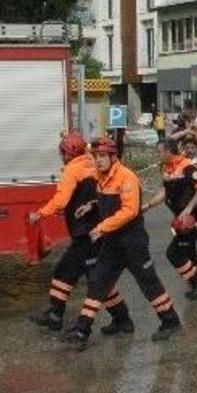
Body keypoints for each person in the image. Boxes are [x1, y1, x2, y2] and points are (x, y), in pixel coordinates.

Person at [64, 137, 181, 350]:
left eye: (101, 157)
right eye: (95, 156)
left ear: (113, 157)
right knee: (98, 281)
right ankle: (87, 330)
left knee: (149, 283)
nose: (97, 161)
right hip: (112, 243)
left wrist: (101, 227)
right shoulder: (101, 177)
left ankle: (171, 321)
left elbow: (129, 211)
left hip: (132, 243)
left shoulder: (127, 177)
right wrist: (91, 206)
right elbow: (107, 201)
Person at [27, 133, 132, 334]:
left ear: (67, 153)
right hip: (96, 231)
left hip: (86, 234)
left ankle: (60, 317)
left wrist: (40, 214)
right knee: (81, 275)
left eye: (62, 152)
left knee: (80, 276)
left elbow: (61, 200)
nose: (61, 155)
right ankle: (120, 319)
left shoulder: (72, 170)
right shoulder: (93, 164)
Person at [141, 139, 197, 300]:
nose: (157, 155)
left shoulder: (186, 166)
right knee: (189, 253)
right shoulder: (166, 167)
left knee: (174, 253)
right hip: (180, 219)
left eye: (159, 152)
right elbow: (165, 191)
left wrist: (189, 209)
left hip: (192, 218)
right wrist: (148, 205)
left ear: (168, 152)